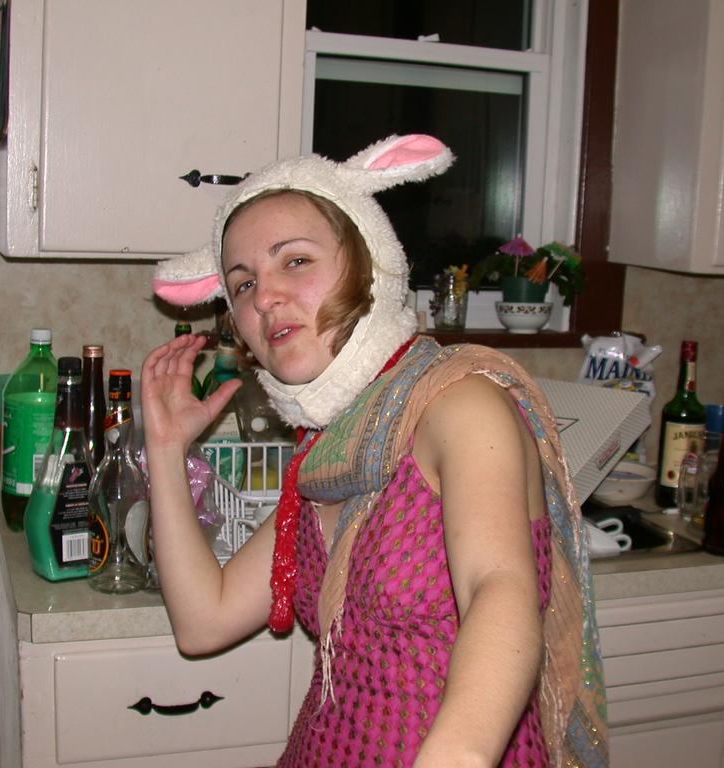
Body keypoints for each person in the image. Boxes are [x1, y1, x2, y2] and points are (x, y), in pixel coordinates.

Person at [144, 134, 608, 767]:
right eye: (243, 283)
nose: (265, 297)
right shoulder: (329, 452)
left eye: (295, 261)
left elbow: (498, 588)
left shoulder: (459, 404)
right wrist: (166, 447)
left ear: (370, 263)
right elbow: (205, 622)